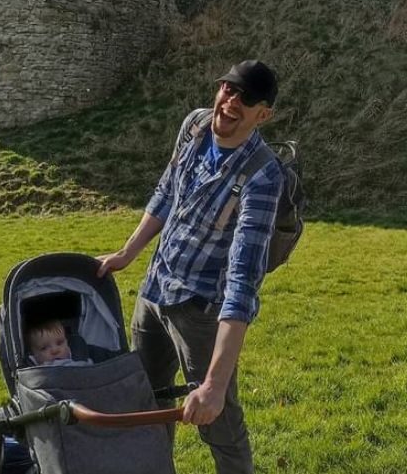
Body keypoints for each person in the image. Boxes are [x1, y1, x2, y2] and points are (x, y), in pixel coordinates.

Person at [96, 59, 284, 474]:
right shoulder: (195, 126)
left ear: (263, 114)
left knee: (220, 422)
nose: (230, 102)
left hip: (200, 310)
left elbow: (243, 280)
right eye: (227, 90)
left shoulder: (262, 175)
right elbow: (167, 192)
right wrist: (127, 254)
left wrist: (214, 385)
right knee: (147, 403)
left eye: (245, 99)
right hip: (154, 289)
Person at [26, 320, 92, 367]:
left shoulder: (78, 357)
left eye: (59, 343)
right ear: (34, 355)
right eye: (44, 348)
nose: (55, 350)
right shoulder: (36, 369)